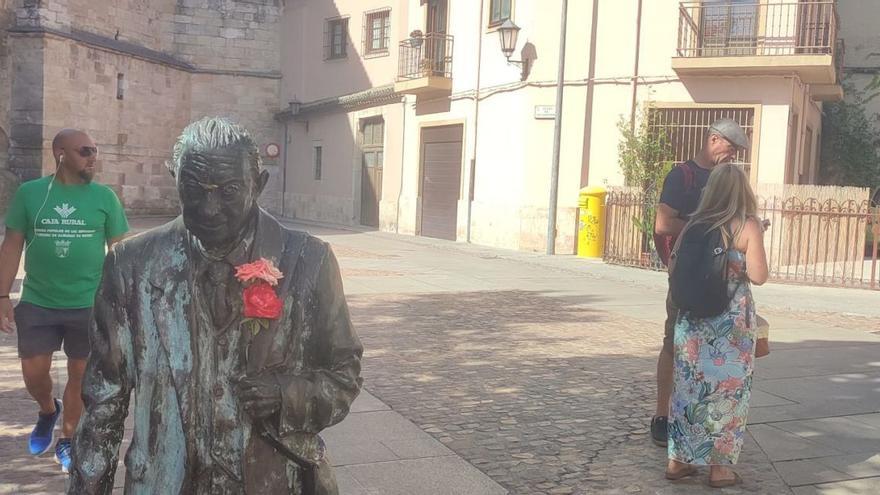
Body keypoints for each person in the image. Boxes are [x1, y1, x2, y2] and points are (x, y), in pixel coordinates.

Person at [69, 117, 363, 494]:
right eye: (193, 189)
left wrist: (287, 395)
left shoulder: (309, 261)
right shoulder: (131, 266)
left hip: (276, 481)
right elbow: (103, 402)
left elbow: (345, 374)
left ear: (258, 185)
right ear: (173, 177)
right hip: (166, 481)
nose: (209, 208)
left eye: (229, 191)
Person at [0, 129, 129, 473]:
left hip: (88, 303)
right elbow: (11, 245)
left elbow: (120, 249)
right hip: (38, 301)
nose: (92, 157)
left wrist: (119, 299)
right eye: (85, 150)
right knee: (35, 374)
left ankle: (67, 439)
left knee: (81, 374)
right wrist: (2, 295)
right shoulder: (30, 194)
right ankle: (47, 409)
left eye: (95, 150)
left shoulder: (104, 197)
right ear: (60, 153)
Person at [664, 163, 768, 488]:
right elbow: (759, 276)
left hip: (692, 323)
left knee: (687, 390)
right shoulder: (747, 226)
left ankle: (677, 461)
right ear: (743, 192)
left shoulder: (693, 225)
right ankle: (719, 469)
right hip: (730, 329)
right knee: (727, 393)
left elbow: (672, 267)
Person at [651, 119, 750, 447]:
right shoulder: (682, 177)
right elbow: (664, 223)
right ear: (712, 140)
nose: (732, 155)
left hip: (720, 278)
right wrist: (711, 228)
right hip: (690, 275)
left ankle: (699, 422)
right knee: (673, 344)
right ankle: (662, 416)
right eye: (730, 147)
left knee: (709, 353)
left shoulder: (727, 176)